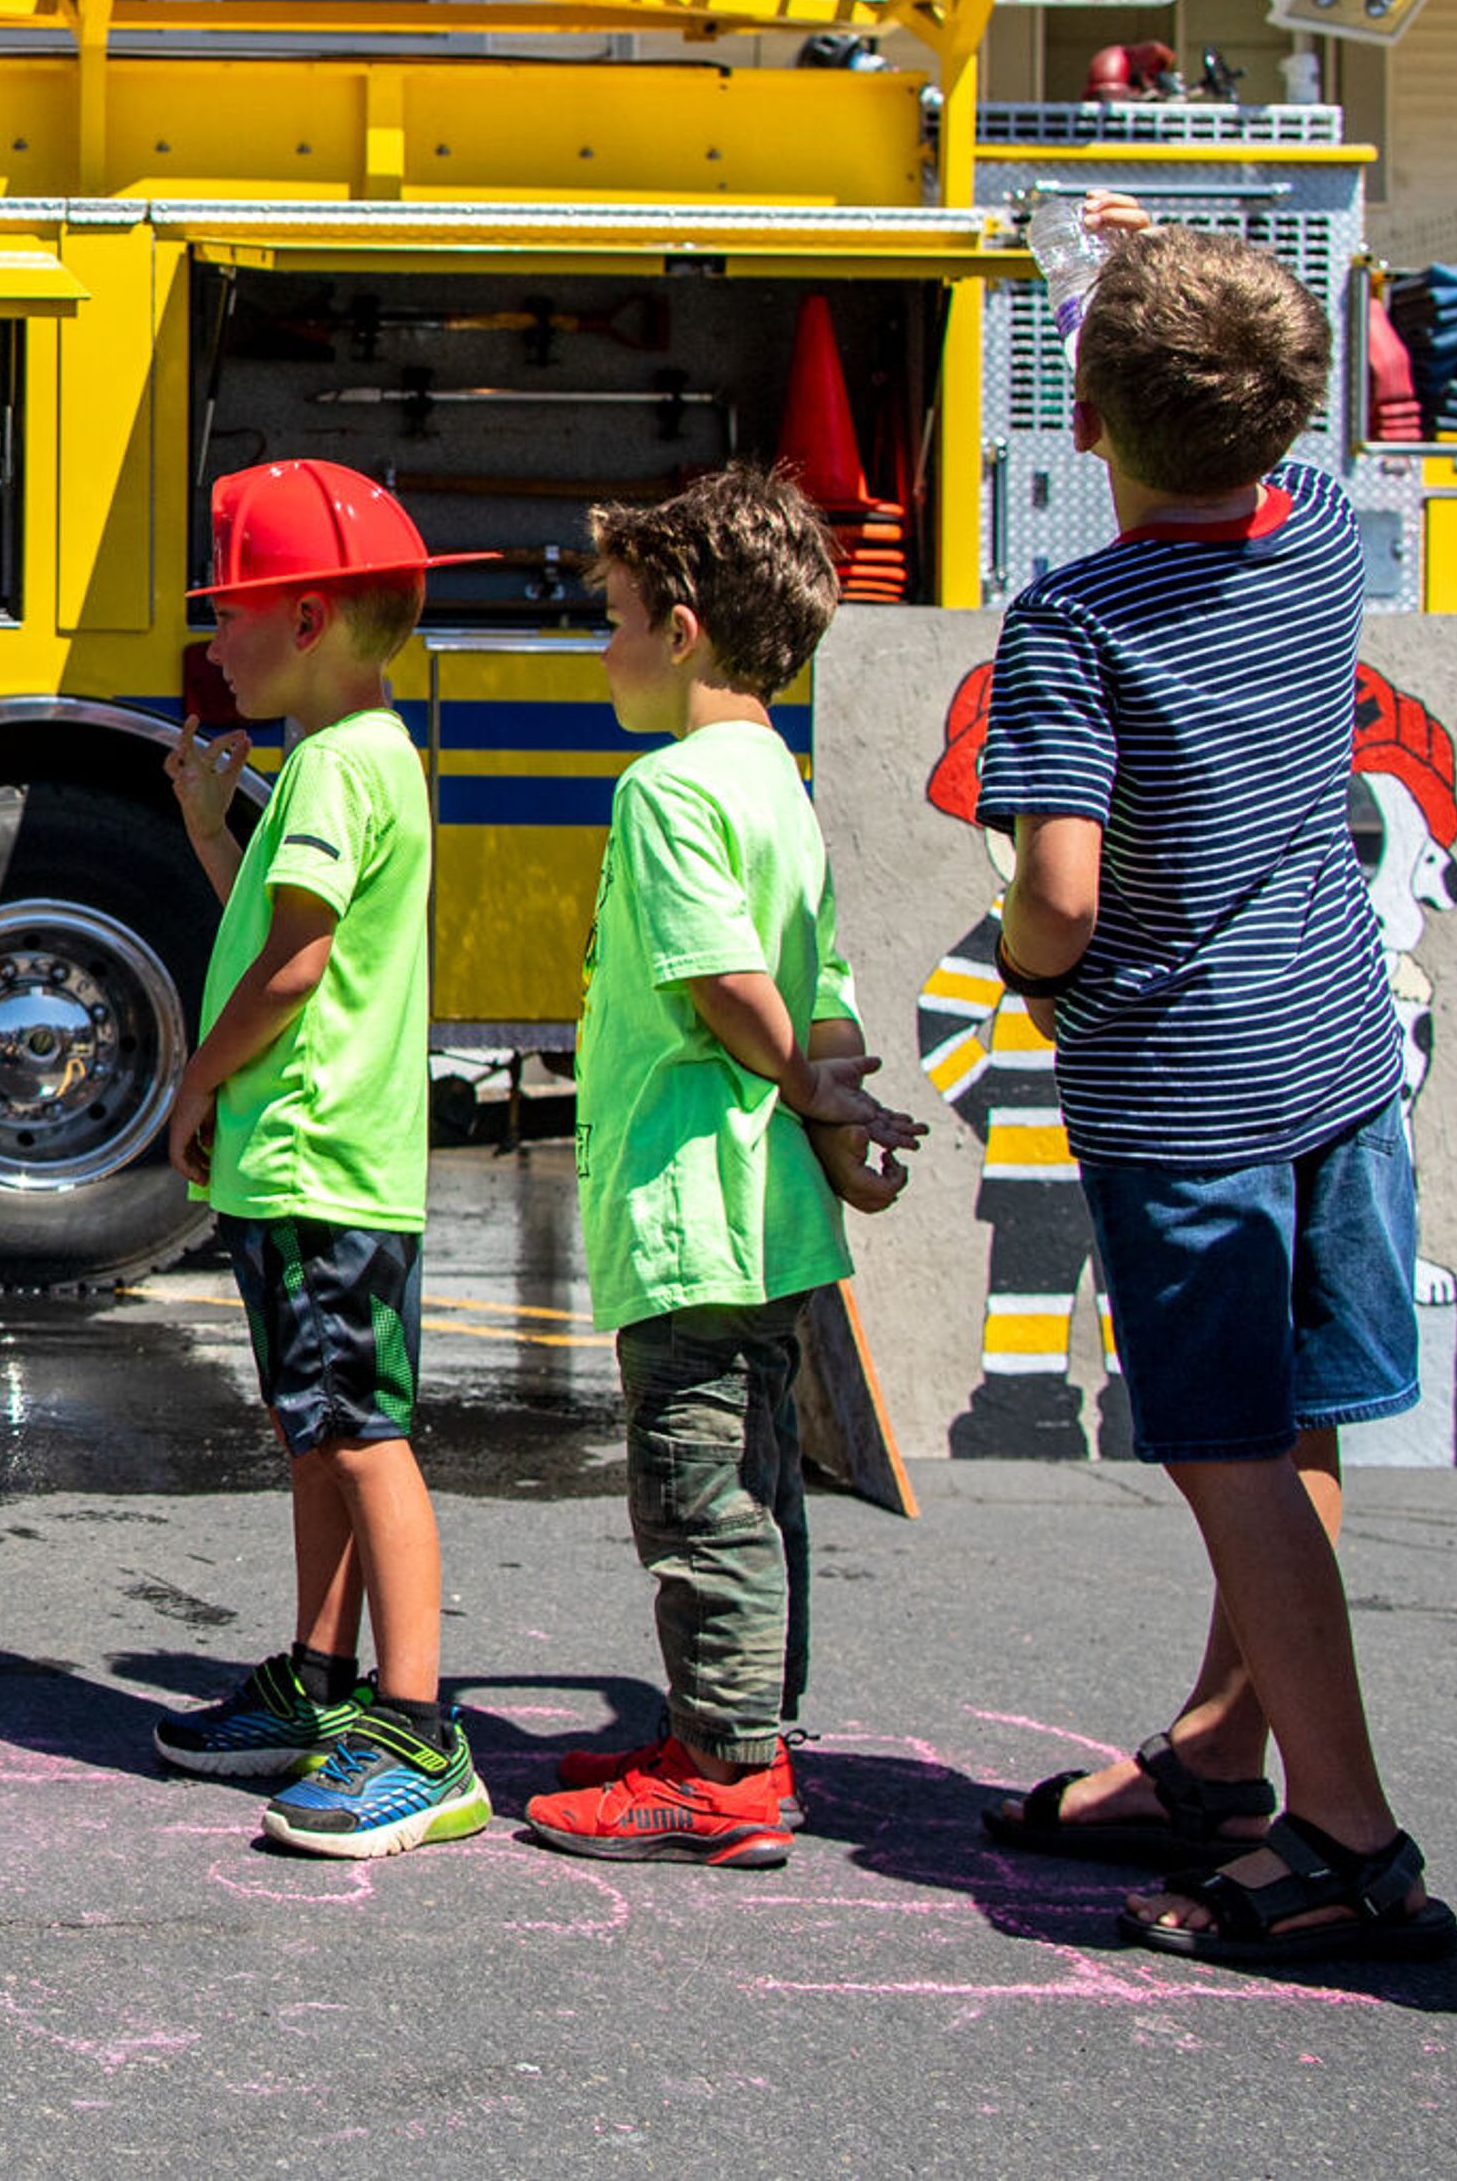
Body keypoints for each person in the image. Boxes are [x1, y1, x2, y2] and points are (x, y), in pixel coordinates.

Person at [968, 202, 1455, 1964]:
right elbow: (1257, 399)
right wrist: (1169, 256)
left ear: (1081, 420)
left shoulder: (1074, 622)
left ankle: (1346, 1829)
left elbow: (1061, 893)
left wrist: (1033, 965)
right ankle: (1222, 1754)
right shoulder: (1324, 539)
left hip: (1186, 1086)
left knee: (1222, 1448)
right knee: (1298, 1417)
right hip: (1339, 1053)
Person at [517, 469, 919, 1869]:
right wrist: (842, 1112)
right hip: (765, 1217)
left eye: (618, 619)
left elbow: (731, 985)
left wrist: (807, 1084)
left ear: (683, 629)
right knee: (755, 1482)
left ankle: (725, 1776)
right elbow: (823, 985)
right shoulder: (777, 782)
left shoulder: (672, 788)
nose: (605, 645)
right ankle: (733, 1728)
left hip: (691, 1210)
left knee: (700, 1493)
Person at [150, 460, 487, 1860]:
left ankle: (417, 1733)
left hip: (311, 1155)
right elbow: (281, 935)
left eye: (229, 612)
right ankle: (322, 1679)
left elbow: (292, 972)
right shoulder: (349, 758)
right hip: (318, 1160)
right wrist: (206, 828)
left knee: (359, 1432)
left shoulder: (342, 763)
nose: (212, 641)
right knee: (321, 1429)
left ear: (305, 617)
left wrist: (196, 1076)